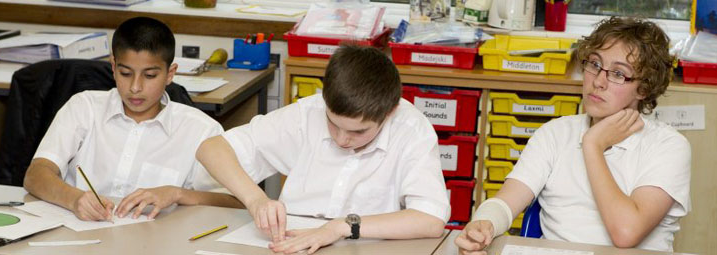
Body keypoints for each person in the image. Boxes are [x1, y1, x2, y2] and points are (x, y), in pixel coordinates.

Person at [456, 16, 691, 253]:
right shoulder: (556, 133)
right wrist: (484, 225)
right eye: (595, 65)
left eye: (618, 74)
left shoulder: (668, 146)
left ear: (644, 88)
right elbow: (505, 203)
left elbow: (626, 233)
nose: (598, 81)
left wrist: (593, 145)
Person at [197, 45, 450, 254]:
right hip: (291, 243)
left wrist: (341, 227)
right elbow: (212, 148)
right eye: (333, 123)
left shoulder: (411, 129)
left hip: (368, 246)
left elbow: (430, 220)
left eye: (358, 132)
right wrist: (256, 200)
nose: (342, 139)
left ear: (390, 112)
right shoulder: (308, 112)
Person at [23, 16, 242, 222]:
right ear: (113, 66)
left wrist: (177, 194)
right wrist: (73, 198)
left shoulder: (201, 130)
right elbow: (35, 175)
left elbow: (235, 202)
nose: (135, 87)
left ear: (170, 73)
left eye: (150, 76)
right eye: (126, 73)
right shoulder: (84, 107)